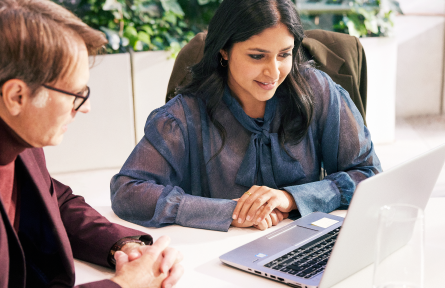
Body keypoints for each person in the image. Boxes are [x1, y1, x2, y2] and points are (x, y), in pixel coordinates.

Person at [0, 0, 182, 287]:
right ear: (16, 95)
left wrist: (123, 246)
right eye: (76, 93)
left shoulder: (5, 120)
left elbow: (53, 200)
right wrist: (126, 285)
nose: (85, 107)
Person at [110, 0, 382, 232]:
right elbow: (127, 191)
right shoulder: (186, 113)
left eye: (284, 54)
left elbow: (369, 174)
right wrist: (231, 212)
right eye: (257, 56)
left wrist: (292, 198)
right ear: (224, 51)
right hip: (213, 256)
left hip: (302, 243)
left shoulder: (317, 91)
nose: (274, 72)